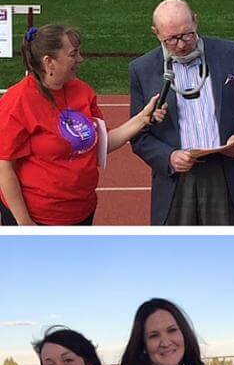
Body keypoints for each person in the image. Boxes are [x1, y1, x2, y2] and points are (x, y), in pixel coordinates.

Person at [0, 24, 166, 226]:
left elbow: (101, 142)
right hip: (38, 219)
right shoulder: (17, 101)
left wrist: (142, 118)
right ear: (49, 62)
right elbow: (4, 166)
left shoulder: (82, 91)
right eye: (73, 54)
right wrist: (24, 224)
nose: (80, 59)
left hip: (82, 212)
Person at [129, 0, 234, 225]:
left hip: (225, 172)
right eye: (171, 39)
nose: (181, 45)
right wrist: (168, 157)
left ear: (196, 21)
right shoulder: (141, 70)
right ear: (156, 33)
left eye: (187, 35)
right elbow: (139, 135)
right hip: (176, 180)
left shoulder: (229, 53)